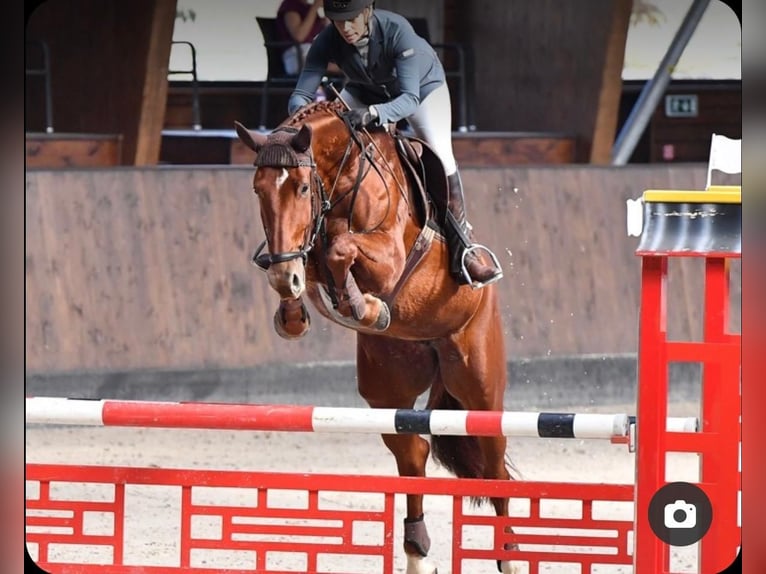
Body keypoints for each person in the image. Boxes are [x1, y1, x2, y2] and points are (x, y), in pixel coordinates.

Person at [286, 0, 502, 288]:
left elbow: (409, 99)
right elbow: (301, 93)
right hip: (368, 90)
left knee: (442, 155)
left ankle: (465, 246)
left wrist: (376, 114)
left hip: (422, 92)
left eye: (352, 19)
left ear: (368, 11)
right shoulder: (327, 39)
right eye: (339, 21)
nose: (346, 29)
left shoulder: (397, 31)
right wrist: (301, 119)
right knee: (333, 133)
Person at [276, 0, 330, 76]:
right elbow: (299, 37)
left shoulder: (308, 8)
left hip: (314, 54)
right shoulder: (290, 5)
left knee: (348, 62)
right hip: (297, 56)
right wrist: (315, 7)